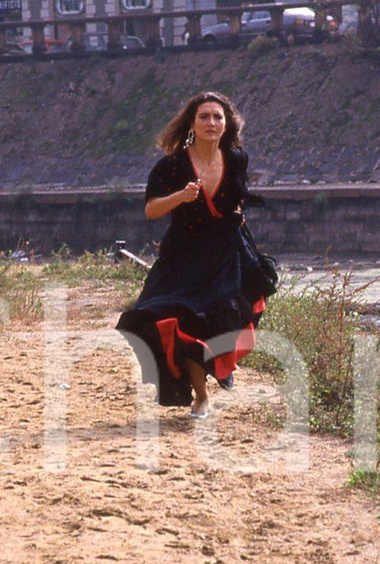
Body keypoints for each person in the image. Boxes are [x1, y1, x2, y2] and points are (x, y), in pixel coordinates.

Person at [116, 91, 278, 418]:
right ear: (192, 123)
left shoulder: (235, 158)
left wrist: (237, 211)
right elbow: (151, 209)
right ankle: (201, 396)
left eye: (217, 117)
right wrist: (181, 196)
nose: (211, 123)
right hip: (184, 256)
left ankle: (218, 362)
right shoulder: (172, 165)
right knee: (178, 319)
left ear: (226, 124)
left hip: (227, 253)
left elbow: (236, 195)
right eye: (204, 116)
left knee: (230, 313)